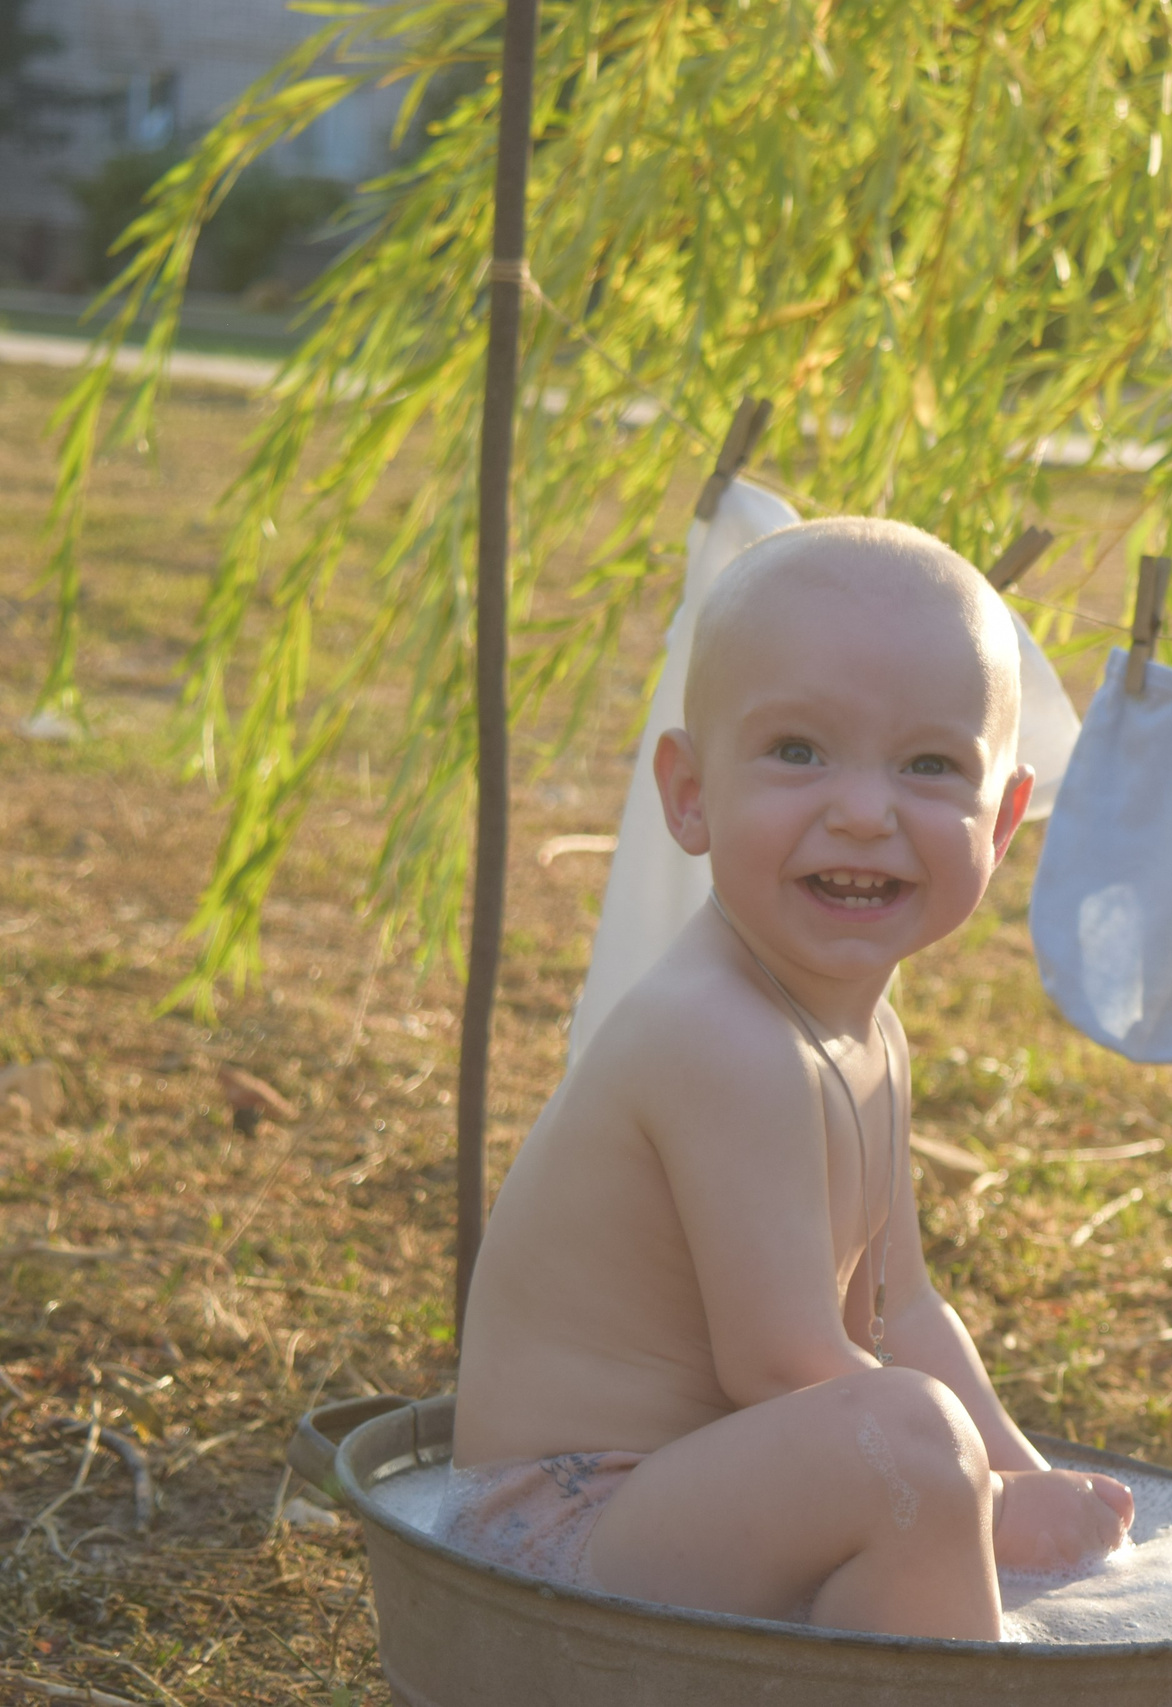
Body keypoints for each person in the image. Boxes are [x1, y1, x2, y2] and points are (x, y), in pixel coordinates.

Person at [445, 517, 1133, 1639]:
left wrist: (1024, 1473)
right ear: (690, 793)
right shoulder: (718, 1034)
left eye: (929, 765)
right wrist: (994, 1505)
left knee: (919, 1448)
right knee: (908, 1448)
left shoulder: (867, 1031)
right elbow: (784, 1364)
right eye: (799, 751)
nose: (863, 810)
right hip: (556, 1536)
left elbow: (902, 1311)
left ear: (1004, 819)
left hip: (703, 1505)